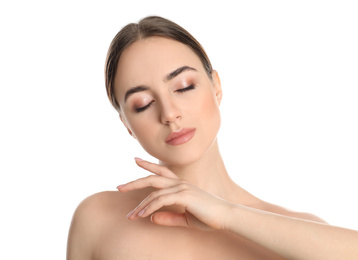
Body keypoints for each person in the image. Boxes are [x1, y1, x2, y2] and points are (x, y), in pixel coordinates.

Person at [67, 16, 358, 260]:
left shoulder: (297, 234)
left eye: (183, 86)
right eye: (143, 104)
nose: (170, 113)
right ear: (126, 124)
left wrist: (227, 214)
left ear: (216, 86)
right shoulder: (99, 219)